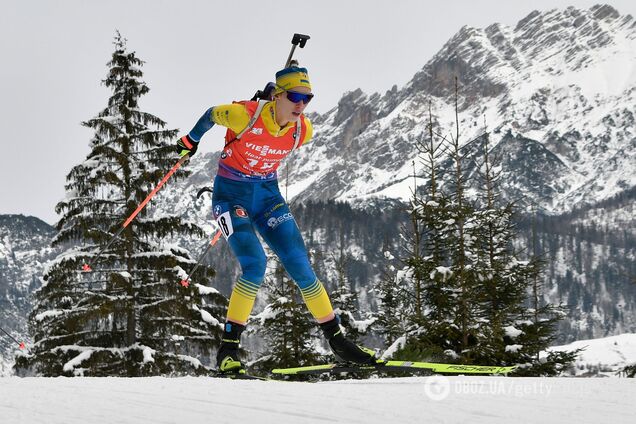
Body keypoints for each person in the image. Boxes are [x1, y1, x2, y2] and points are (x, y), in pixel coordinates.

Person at [176, 65, 378, 373]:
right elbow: (210, 114)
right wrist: (191, 140)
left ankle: (339, 343)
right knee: (255, 264)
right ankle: (228, 351)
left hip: (268, 199)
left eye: (307, 99)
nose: (301, 105)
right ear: (278, 96)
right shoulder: (244, 115)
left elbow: (283, 126)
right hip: (231, 198)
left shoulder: (303, 130)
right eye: (295, 97)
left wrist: (277, 106)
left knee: (301, 265)